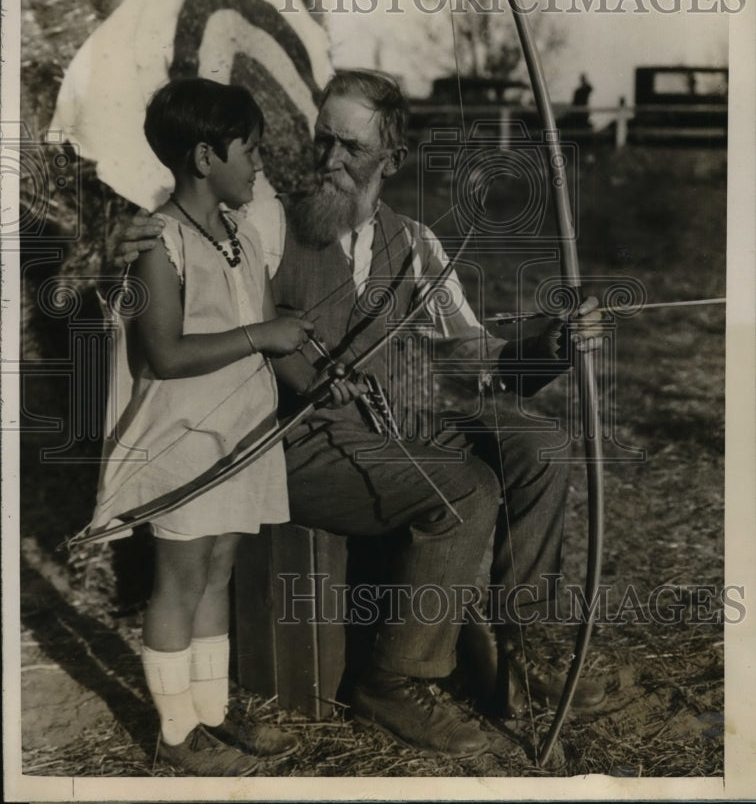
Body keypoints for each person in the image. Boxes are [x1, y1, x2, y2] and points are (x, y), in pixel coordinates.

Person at [114, 69, 605, 758]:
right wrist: (133, 231)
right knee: (464, 487)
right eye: (322, 140)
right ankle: (396, 681)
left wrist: (552, 343)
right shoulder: (267, 218)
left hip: (396, 428)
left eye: (350, 146)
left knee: (540, 447)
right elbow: (189, 247)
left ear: (392, 161)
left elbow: (485, 365)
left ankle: (517, 649)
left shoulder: (417, 243)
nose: (328, 160)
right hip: (298, 440)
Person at [89, 78, 319, 776]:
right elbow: (165, 353)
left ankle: (212, 716)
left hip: (239, 438)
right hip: (184, 441)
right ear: (202, 157)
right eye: (248, 151)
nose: (258, 166)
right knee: (180, 581)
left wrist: (312, 376)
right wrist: (262, 335)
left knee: (217, 571)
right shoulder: (161, 243)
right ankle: (176, 733)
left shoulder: (239, 234)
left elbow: (269, 334)